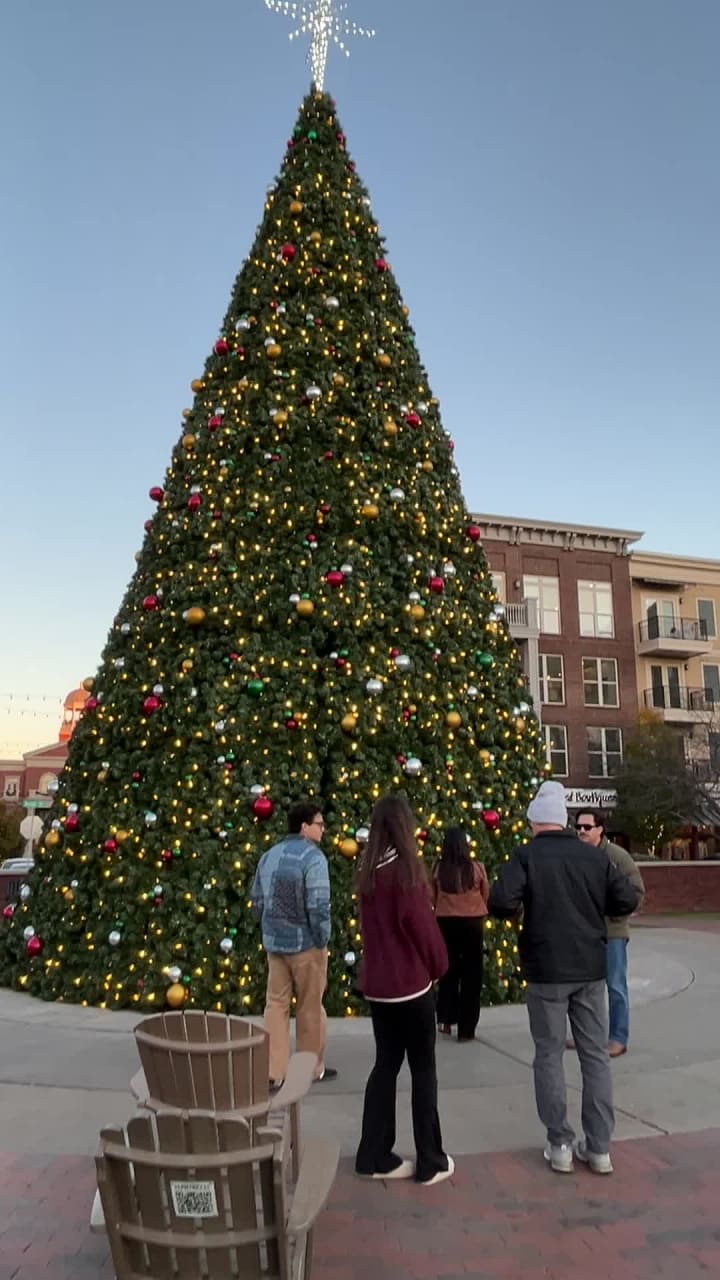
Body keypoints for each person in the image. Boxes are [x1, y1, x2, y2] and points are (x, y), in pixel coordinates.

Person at [488, 780, 640, 1176]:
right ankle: (600, 1147)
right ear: (565, 820)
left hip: (546, 970)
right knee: (595, 1057)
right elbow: (627, 898)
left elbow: (501, 902)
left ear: (536, 821)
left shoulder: (526, 856)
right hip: (590, 967)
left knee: (549, 1055)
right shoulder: (594, 857)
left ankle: (559, 1143)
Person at [354, 795, 454, 1186]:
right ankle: (430, 1159)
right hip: (411, 987)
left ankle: (373, 1153)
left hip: (379, 987)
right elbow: (423, 931)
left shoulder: (369, 871)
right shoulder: (405, 871)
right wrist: (440, 967)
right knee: (423, 1069)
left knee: (385, 1065)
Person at [251, 801, 337, 1089]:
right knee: (310, 1006)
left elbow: (257, 901)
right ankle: (308, 1069)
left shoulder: (269, 855)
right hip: (306, 946)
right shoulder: (314, 859)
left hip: (275, 946)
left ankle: (274, 1071)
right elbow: (319, 905)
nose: (323, 829)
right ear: (304, 827)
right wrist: (322, 938)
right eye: (319, 824)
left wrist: (270, 929)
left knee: (275, 1005)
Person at [573, 811, 645, 1057]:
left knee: (615, 985)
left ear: (600, 829)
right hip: (584, 932)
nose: (581, 831)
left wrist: (615, 916)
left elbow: (636, 892)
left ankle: (618, 1038)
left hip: (612, 932)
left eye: (587, 827)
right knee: (583, 988)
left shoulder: (616, 856)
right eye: (578, 827)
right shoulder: (576, 855)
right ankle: (587, 1035)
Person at [432, 828, 489, 1042]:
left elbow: (432, 896)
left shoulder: (438, 869)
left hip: (445, 922)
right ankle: (467, 1029)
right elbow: (485, 894)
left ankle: (445, 1020)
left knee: (448, 972)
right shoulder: (476, 868)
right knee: (472, 976)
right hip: (472, 923)